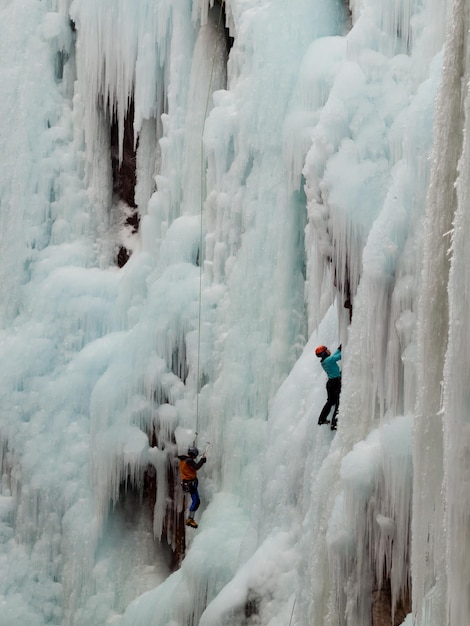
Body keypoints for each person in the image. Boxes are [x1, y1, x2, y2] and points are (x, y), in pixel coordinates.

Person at [178, 446, 207, 528]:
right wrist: (202, 460)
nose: (195, 458)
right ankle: (190, 519)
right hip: (190, 484)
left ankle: (190, 519)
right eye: (195, 456)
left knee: (196, 500)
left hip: (187, 483)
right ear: (193, 454)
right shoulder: (188, 461)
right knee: (196, 501)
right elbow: (196, 467)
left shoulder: (184, 459)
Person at [315, 344, 342, 430]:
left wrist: (339, 348)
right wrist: (345, 347)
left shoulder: (325, 361)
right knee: (338, 402)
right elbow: (340, 356)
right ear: (324, 353)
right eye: (326, 350)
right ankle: (334, 424)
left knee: (330, 402)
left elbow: (334, 356)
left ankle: (322, 419)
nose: (328, 350)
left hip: (331, 383)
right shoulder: (329, 360)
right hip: (335, 383)